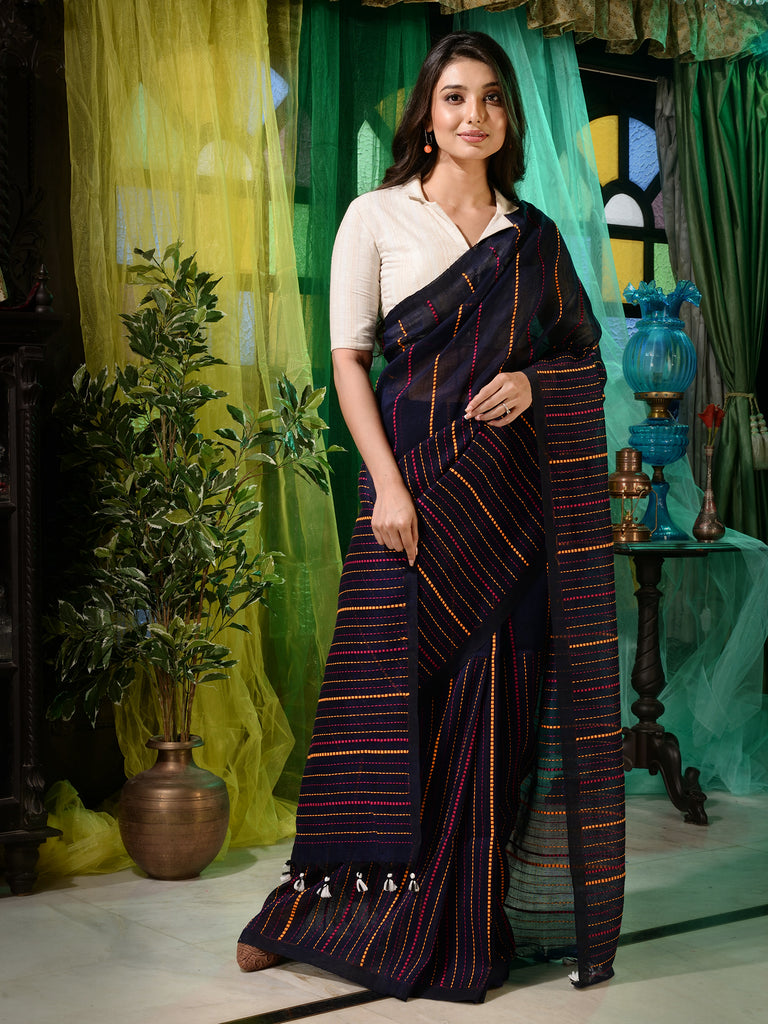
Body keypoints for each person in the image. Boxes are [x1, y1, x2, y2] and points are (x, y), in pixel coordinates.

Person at [237, 30, 625, 1003]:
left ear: (508, 119)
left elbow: (583, 360)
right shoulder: (376, 217)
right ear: (428, 113)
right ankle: (313, 913)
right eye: (455, 96)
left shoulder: (532, 239)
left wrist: (535, 386)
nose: (473, 115)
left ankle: (463, 918)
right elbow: (349, 362)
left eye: (491, 98)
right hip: (411, 492)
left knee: (494, 709)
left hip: (513, 516)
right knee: (380, 708)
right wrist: (390, 488)